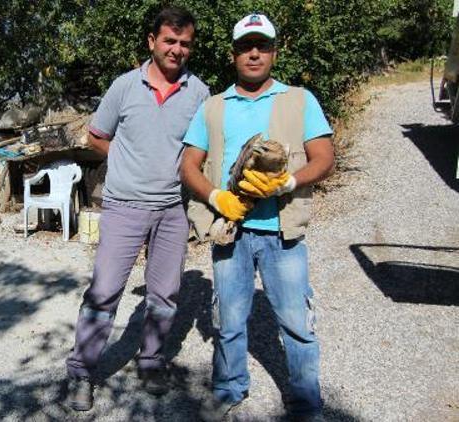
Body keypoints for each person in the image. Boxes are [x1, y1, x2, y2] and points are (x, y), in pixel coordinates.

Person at [180, 13, 334, 421]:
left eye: (261, 45)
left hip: (283, 234)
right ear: (234, 54)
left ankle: (305, 402)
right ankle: (229, 388)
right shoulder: (213, 107)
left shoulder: (299, 100)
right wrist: (215, 195)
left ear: (273, 52)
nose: (254, 53)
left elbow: (325, 158)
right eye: (246, 46)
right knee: (229, 320)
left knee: (297, 324)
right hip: (231, 231)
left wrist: (287, 184)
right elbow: (188, 165)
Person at [65, 6, 210, 412]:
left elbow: (204, 150)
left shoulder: (200, 93)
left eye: (184, 43)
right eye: (169, 41)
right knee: (104, 292)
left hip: (172, 209)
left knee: (165, 295)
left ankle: (151, 361)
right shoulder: (124, 87)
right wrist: (126, 159)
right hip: (124, 206)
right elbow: (96, 136)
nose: (177, 49)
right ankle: (81, 372)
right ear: (152, 42)